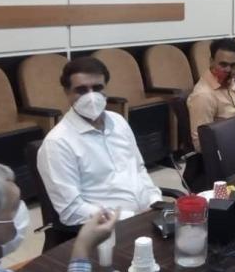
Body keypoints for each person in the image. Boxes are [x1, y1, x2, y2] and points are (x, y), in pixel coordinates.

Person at [37, 57, 162, 227]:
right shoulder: (58, 143)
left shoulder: (118, 121)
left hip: (148, 216)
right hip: (107, 229)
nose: (91, 96)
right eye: (81, 90)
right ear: (67, 93)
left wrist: (155, 202)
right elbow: (72, 211)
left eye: (97, 88)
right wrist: (130, 217)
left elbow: (138, 169)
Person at [187, 38, 235, 152]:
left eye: (233, 66)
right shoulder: (203, 95)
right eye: (223, 64)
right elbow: (201, 144)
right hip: (226, 152)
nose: (228, 70)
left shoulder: (230, 82)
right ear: (211, 61)